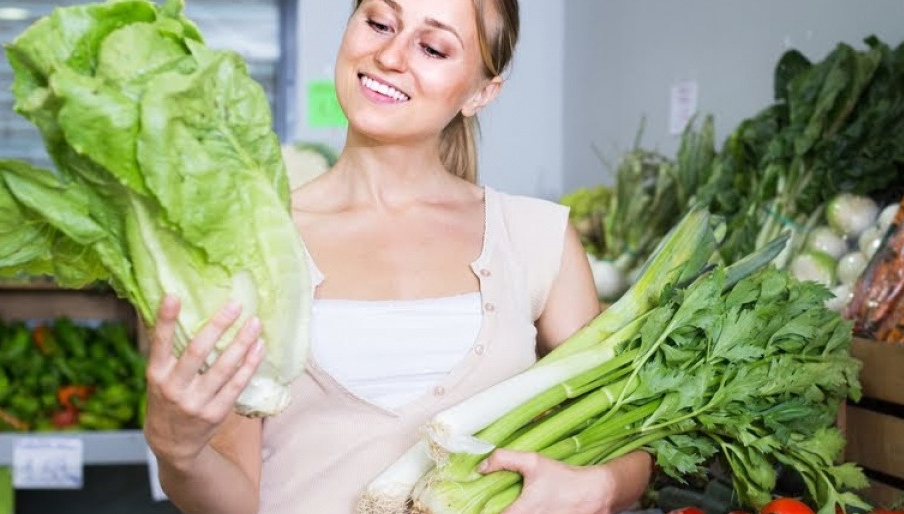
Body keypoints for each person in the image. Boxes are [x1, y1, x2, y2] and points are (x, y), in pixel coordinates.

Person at [142, 0, 654, 513]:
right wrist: (179, 453)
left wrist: (604, 486)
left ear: (482, 91)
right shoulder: (254, 243)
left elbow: (633, 434)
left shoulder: (537, 239)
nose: (390, 55)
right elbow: (235, 501)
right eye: (379, 23)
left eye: (432, 47)